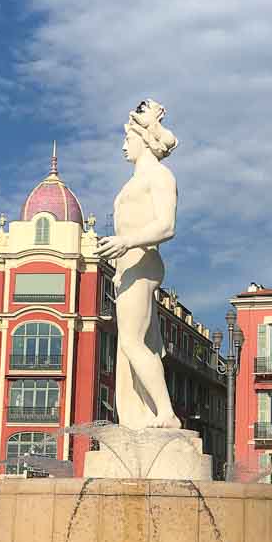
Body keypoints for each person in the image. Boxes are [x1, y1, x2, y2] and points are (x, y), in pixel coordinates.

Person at [97, 100, 181, 429]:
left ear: (144, 140)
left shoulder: (161, 176)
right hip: (127, 266)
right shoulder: (134, 181)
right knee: (132, 344)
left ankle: (166, 414)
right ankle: (143, 416)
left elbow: (166, 226)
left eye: (128, 139)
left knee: (132, 342)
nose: (122, 146)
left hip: (141, 261)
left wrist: (126, 242)